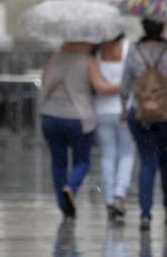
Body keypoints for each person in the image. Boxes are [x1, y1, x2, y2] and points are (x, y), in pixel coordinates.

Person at [120, 19, 167, 231]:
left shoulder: (134, 53)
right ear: (162, 28)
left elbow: (124, 87)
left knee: (148, 161)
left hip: (141, 114)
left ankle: (145, 215)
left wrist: (125, 109)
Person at [40, 41, 119, 219]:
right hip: (79, 118)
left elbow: (44, 79)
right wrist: (124, 86)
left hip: (50, 116)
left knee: (58, 163)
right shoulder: (88, 61)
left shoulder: (55, 58)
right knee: (82, 161)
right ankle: (71, 186)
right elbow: (101, 87)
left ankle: (64, 205)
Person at [95, 34, 135, 223]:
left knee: (107, 156)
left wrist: (109, 88)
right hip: (125, 109)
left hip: (102, 111)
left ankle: (109, 198)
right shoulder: (128, 50)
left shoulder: (96, 52)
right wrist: (124, 87)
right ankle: (120, 194)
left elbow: (98, 87)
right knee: (127, 154)